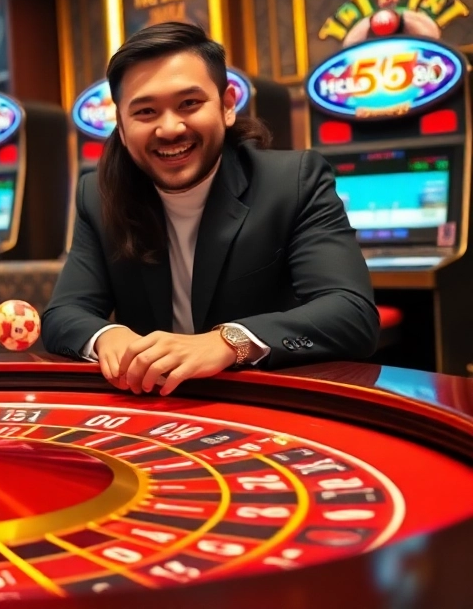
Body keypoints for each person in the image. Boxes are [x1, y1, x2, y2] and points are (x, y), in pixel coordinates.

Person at [42, 22, 378, 396]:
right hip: (154, 408)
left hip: (266, 403)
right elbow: (62, 315)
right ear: (121, 126)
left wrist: (228, 342)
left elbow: (352, 314)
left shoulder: (293, 181)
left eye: (189, 103)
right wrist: (108, 336)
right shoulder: (98, 193)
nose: (169, 128)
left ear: (227, 105)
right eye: (145, 112)